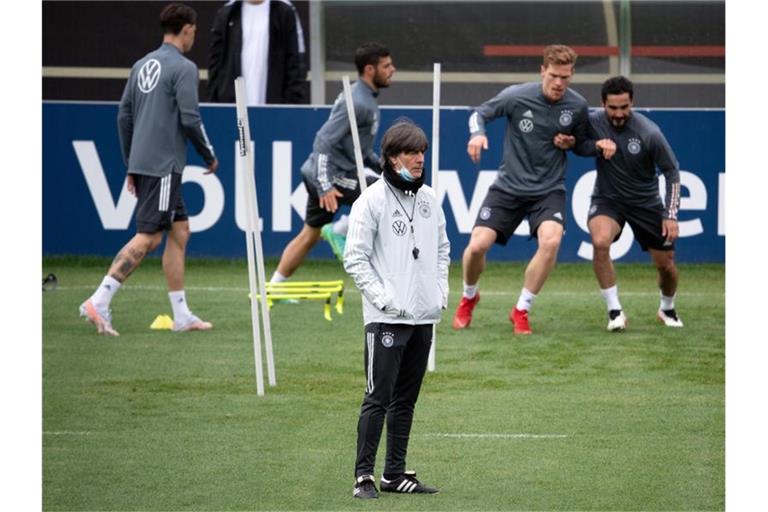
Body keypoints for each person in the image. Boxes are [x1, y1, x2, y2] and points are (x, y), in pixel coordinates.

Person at [451, 44, 615, 334]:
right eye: (553, 75)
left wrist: (588, 146)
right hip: (508, 187)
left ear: (572, 75)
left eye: (565, 77)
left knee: (551, 242)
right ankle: (468, 297)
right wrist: (477, 135)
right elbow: (480, 113)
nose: (558, 83)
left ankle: (521, 310)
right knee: (477, 246)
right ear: (542, 71)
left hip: (548, 189)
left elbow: (583, 144)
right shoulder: (517, 96)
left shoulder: (576, 106)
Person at [79, 3, 218, 336]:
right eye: (194, 31)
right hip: (165, 164)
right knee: (150, 235)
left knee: (180, 230)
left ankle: (181, 315)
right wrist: (208, 154)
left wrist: (131, 162)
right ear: (187, 29)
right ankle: (99, 300)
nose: (194, 36)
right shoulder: (184, 68)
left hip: (145, 161)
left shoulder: (141, 65)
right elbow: (190, 118)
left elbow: (123, 116)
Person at [344, 120, 449, 499]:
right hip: (385, 319)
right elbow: (354, 259)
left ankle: (394, 473)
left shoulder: (430, 199)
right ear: (391, 158)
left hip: (424, 316)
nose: (419, 159)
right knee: (377, 398)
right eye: (411, 153)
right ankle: (363, 477)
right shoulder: (370, 201)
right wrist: (385, 300)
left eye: (421, 152)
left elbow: (442, 249)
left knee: (406, 400)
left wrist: (440, 291)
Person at [270, 42, 394, 284]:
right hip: (330, 174)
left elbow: (362, 149)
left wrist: (385, 168)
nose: (393, 70)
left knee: (309, 235)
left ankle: (274, 287)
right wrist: (325, 185)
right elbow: (323, 140)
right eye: (386, 66)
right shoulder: (358, 101)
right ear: (370, 70)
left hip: (326, 172)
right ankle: (340, 230)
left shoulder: (366, 98)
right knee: (385, 193)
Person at [586, 76, 683, 331]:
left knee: (666, 266)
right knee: (600, 242)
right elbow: (575, 142)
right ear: (602, 104)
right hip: (608, 199)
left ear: (632, 103)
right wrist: (593, 144)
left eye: (624, 107)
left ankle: (667, 307)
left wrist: (671, 215)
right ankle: (614, 312)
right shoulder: (592, 121)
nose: (619, 113)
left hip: (646, 203)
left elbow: (672, 171)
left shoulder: (649, 132)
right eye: (613, 107)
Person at [208, 0, 307, 105]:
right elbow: (215, 65)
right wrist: (216, 105)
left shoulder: (284, 12)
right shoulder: (227, 13)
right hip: (233, 110)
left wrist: (290, 106)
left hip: (275, 110)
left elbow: (295, 65)